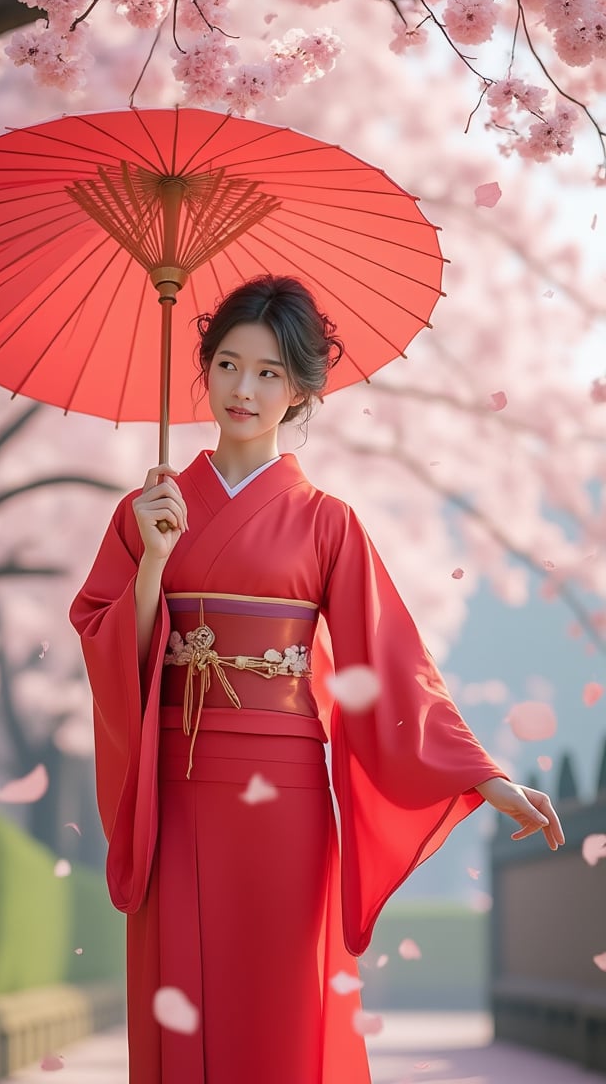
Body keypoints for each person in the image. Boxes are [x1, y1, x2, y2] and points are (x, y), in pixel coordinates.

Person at [69, 274, 564, 1084]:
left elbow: (391, 666)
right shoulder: (147, 511)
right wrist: (152, 564)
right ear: (204, 366)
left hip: (287, 807)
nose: (244, 389)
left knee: (281, 1012)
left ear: (301, 389)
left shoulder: (328, 522)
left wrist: (484, 776)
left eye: (269, 373)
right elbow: (100, 636)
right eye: (229, 364)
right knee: (180, 995)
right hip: (180, 791)